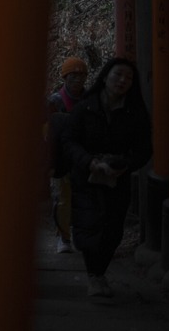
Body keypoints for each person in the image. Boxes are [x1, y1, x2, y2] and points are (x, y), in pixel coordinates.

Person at [61, 57, 152, 298]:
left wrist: (126, 165)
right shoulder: (85, 107)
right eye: (118, 75)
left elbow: (144, 149)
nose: (122, 80)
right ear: (105, 77)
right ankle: (95, 276)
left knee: (113, 229)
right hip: (87, 176)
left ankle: (99, 272)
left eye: (129, 77)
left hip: (117, 178)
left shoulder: (135, 113)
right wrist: (89, 162)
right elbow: (69, 141)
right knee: (89, 226)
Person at [46, 57, 88, 253]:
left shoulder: (90, 100)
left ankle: (81, 234)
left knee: (83, 198)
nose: (78, 79)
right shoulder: (55, 101)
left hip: (83, 157)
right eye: (73, 75)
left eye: (81, 75)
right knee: (62, 198)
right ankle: (63, 237)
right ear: (65, 77)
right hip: (62, 158)